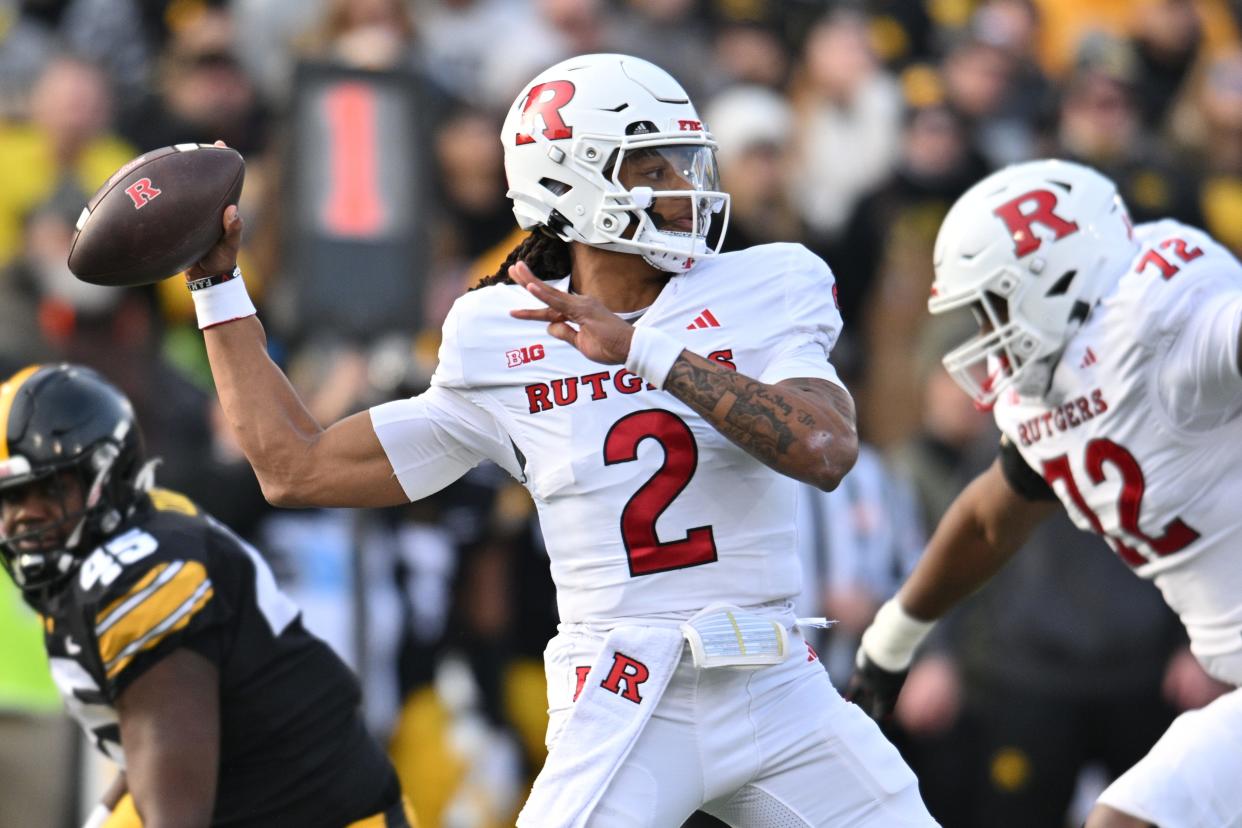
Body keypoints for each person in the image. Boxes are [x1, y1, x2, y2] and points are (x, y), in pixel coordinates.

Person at [182, 53, 936, 825]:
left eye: (686, 163)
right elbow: (293, 468)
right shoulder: (497, 333)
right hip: (629, 689)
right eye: (653, 168)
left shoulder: (768, 283)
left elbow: (824, 450)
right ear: (572, 184)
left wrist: (645, 350)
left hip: (779, 681)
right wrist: (217, 287)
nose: (686, 189)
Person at [847, 158, 1242, 828]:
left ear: (1054, 279)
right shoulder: (1061, 383)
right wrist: (893, 639)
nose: (985, 339)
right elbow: (991, 519)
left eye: (991, 307)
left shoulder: (1168, 323)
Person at [0, 363, 417, 827]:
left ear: (106, 475)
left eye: (48, 489)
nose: (23, 517)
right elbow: (154, 724)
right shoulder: (143, 530)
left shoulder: (139, 582)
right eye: (9, 498)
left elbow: (174, 803)